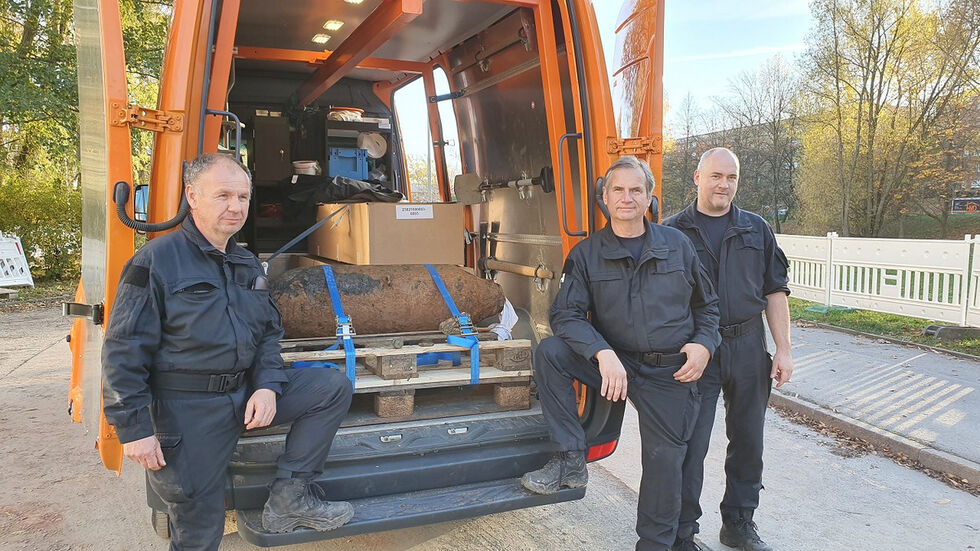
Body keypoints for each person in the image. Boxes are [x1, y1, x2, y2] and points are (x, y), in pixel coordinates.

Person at [102, 153, 355, 551]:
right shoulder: (155, 261)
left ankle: (289, 499)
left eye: (242, 197)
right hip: (187, 410)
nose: (235, 207)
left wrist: (267, 386)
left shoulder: (246, 263)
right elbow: (122, 350)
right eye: (223, 195)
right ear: (193, 197)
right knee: (199, 530)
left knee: (330, 387)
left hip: (242, 395)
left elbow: (267, 335)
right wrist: (134, 430)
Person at [521, 155, 721, 551]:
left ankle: (655, 544)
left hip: (669, 371)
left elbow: (708, 306)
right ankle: (570, 459)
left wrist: (704, 345)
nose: (626, 197)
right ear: (605, 198)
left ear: (649, 197)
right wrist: (601, 352)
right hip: (616, 364)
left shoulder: (678, 246)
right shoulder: (586, 254)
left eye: (635, 190)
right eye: (618, 190)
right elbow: (565, 315)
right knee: (552, 351)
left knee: (665, 463)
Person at [663, 147, 793, 551]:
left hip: (748, 345)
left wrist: (783, 350)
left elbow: (775, 291)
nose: (723, 184)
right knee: (691, 443)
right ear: (697, 178)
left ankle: (738, 522)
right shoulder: (672, 232)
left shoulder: (756, 229)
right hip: (697, 350)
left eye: (731, 177)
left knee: (749, 440)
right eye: (716, 176)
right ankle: (683, 531)